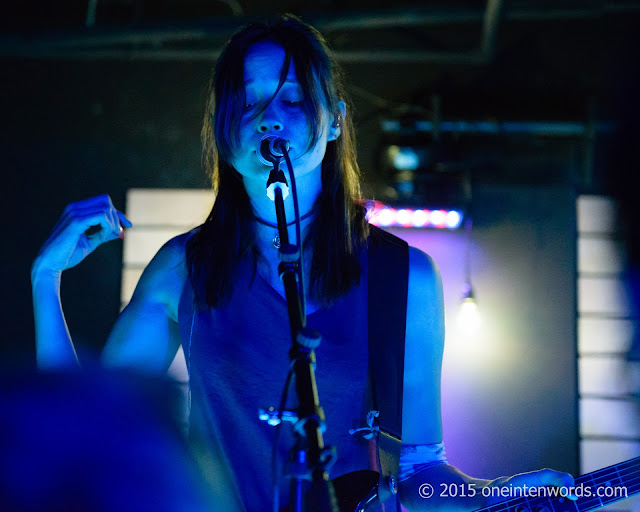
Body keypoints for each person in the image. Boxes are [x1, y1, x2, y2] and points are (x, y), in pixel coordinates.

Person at [31, 14, 574, 511]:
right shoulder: (182, 267)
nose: (269, 120)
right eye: (249, 103)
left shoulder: (404, 276)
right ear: (225, 130)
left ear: (335, 121)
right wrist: (45, 280)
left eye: (291, 100)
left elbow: (418, 471)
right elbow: (89, 427)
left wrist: (499, 495)